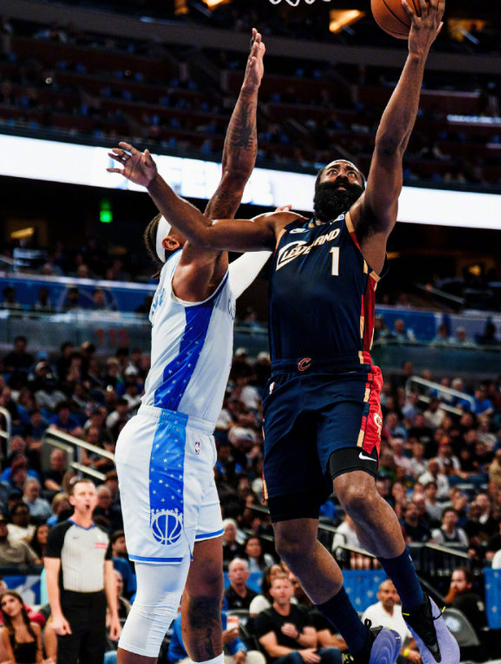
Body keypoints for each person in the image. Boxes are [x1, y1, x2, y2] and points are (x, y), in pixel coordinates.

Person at [108, 5, 457, 664]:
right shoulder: (205, 262)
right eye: (333, 170)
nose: (342, 173)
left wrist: (413, 56)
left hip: (279, 404)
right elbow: (222, 200)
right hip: (193, 426)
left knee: (208, 590)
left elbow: (385, 149)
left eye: (349, 173)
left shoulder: (311, 238)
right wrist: (159, 181)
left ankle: (412, 616)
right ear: (173, 245)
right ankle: (364, 639)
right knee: (172, 592)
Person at [109, 34, 269, 664]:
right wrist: (249, 91)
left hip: (193, 442)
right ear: (178, 243)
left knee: (205, 590)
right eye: (194, 225)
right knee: (157, 598)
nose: (209, 223)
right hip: (165, 440)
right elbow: (235, 176)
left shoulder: (211, 277)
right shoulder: (192, 270)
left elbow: (253, 255)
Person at [45, 478, 120, 664]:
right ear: (72, 500)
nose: (87, 498)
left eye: (91, 494)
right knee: (67, 659)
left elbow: (108, 575)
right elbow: (51, 575)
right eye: (82, 494)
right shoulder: (59, 532)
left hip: (97, 603)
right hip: (70, 602)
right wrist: (56, 614)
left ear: (96, 500)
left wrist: (114, 614)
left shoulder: (103, 533)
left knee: (95, 658)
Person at [254, 575, 342, 664]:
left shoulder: (302, 611)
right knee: (295, 656)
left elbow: (312, 642)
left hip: (306, 654)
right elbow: (273, 650)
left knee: (333, 652)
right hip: (281, 660)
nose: (282, 591)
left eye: (285, 587)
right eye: (278, 588)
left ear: (292, 590)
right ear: (271, 592)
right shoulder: (264, 617)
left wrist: (296, 635)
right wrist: (300, 653)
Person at [0, 590, 47, 664]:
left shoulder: (35, 627)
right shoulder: (5, 631)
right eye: (4, 604)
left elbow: (39, 655)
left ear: (21, 604)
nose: (8, 606)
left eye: (11, 601)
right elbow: (12, 660)